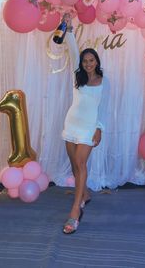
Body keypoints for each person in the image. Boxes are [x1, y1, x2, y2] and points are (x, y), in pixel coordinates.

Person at [61, 14, 110, 234]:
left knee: (81, 166)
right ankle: (85, 194)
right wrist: (69, 29)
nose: (88, 64)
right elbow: (72, 49)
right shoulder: (77, 75)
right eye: (85, 61)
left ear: (97, 62)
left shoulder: (104, 81)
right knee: (74, 165)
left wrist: (99, 129)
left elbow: (104, 108)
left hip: (89, 128)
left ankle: (75, 211)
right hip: (71, 124)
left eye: (92, 60)